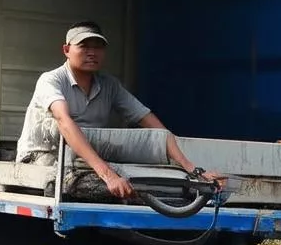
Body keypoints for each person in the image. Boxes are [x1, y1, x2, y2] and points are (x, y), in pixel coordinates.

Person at [16, 22, 222, 199]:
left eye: (98, 47)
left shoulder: (109, 85)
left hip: (86, 157)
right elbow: (64, 122)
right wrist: (108, 175)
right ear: (66, 50)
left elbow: (145, 118)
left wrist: (192, 167)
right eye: (84, 46)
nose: (92, 53)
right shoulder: (51, 80)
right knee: (105, 179)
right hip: (44, 157)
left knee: (155, 163)